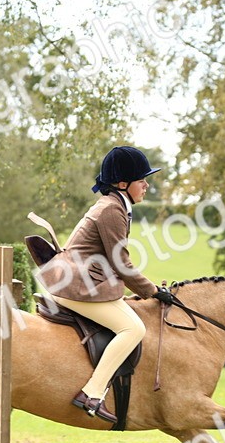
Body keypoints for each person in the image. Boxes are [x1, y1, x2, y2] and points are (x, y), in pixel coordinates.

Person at [37, 146, 176, 423]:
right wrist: (153, 292)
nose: (147, 185)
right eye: (142, 180)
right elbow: (121, 262)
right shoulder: (112, 210)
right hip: (75, 285)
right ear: (123, 184)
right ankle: (93, 392)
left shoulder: (115, 206)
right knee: (133, 327)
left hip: (82, 280)